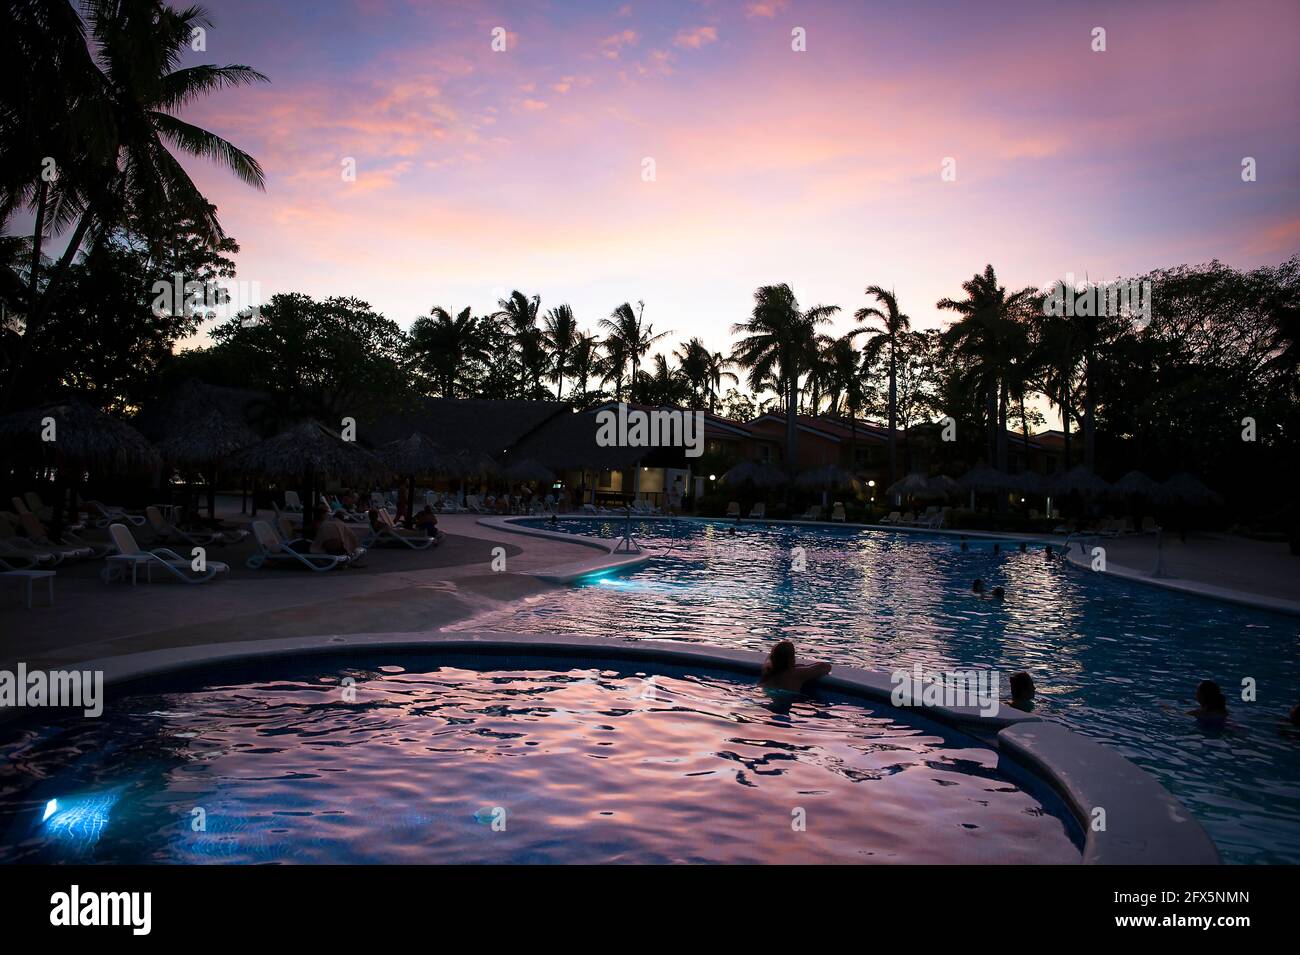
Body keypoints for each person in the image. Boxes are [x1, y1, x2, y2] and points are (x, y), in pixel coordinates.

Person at [758, 640, 832, 693]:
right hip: (783, 702)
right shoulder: (795, 673)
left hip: (764, 693)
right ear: (791, 658)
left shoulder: (766, 670)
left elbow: (770, 658)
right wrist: (803, 667)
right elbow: (825, 667)